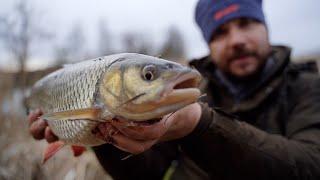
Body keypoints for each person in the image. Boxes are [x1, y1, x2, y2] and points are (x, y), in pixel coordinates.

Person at [28, 0, 320, 179]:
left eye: (246, 24)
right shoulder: (173, 96)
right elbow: (151, 174)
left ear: (266, 27)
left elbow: (311, 167)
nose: (236, 40)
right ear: (208, 40)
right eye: (220, 32)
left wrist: (197, 124)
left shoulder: (308, 88)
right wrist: (101, 138)